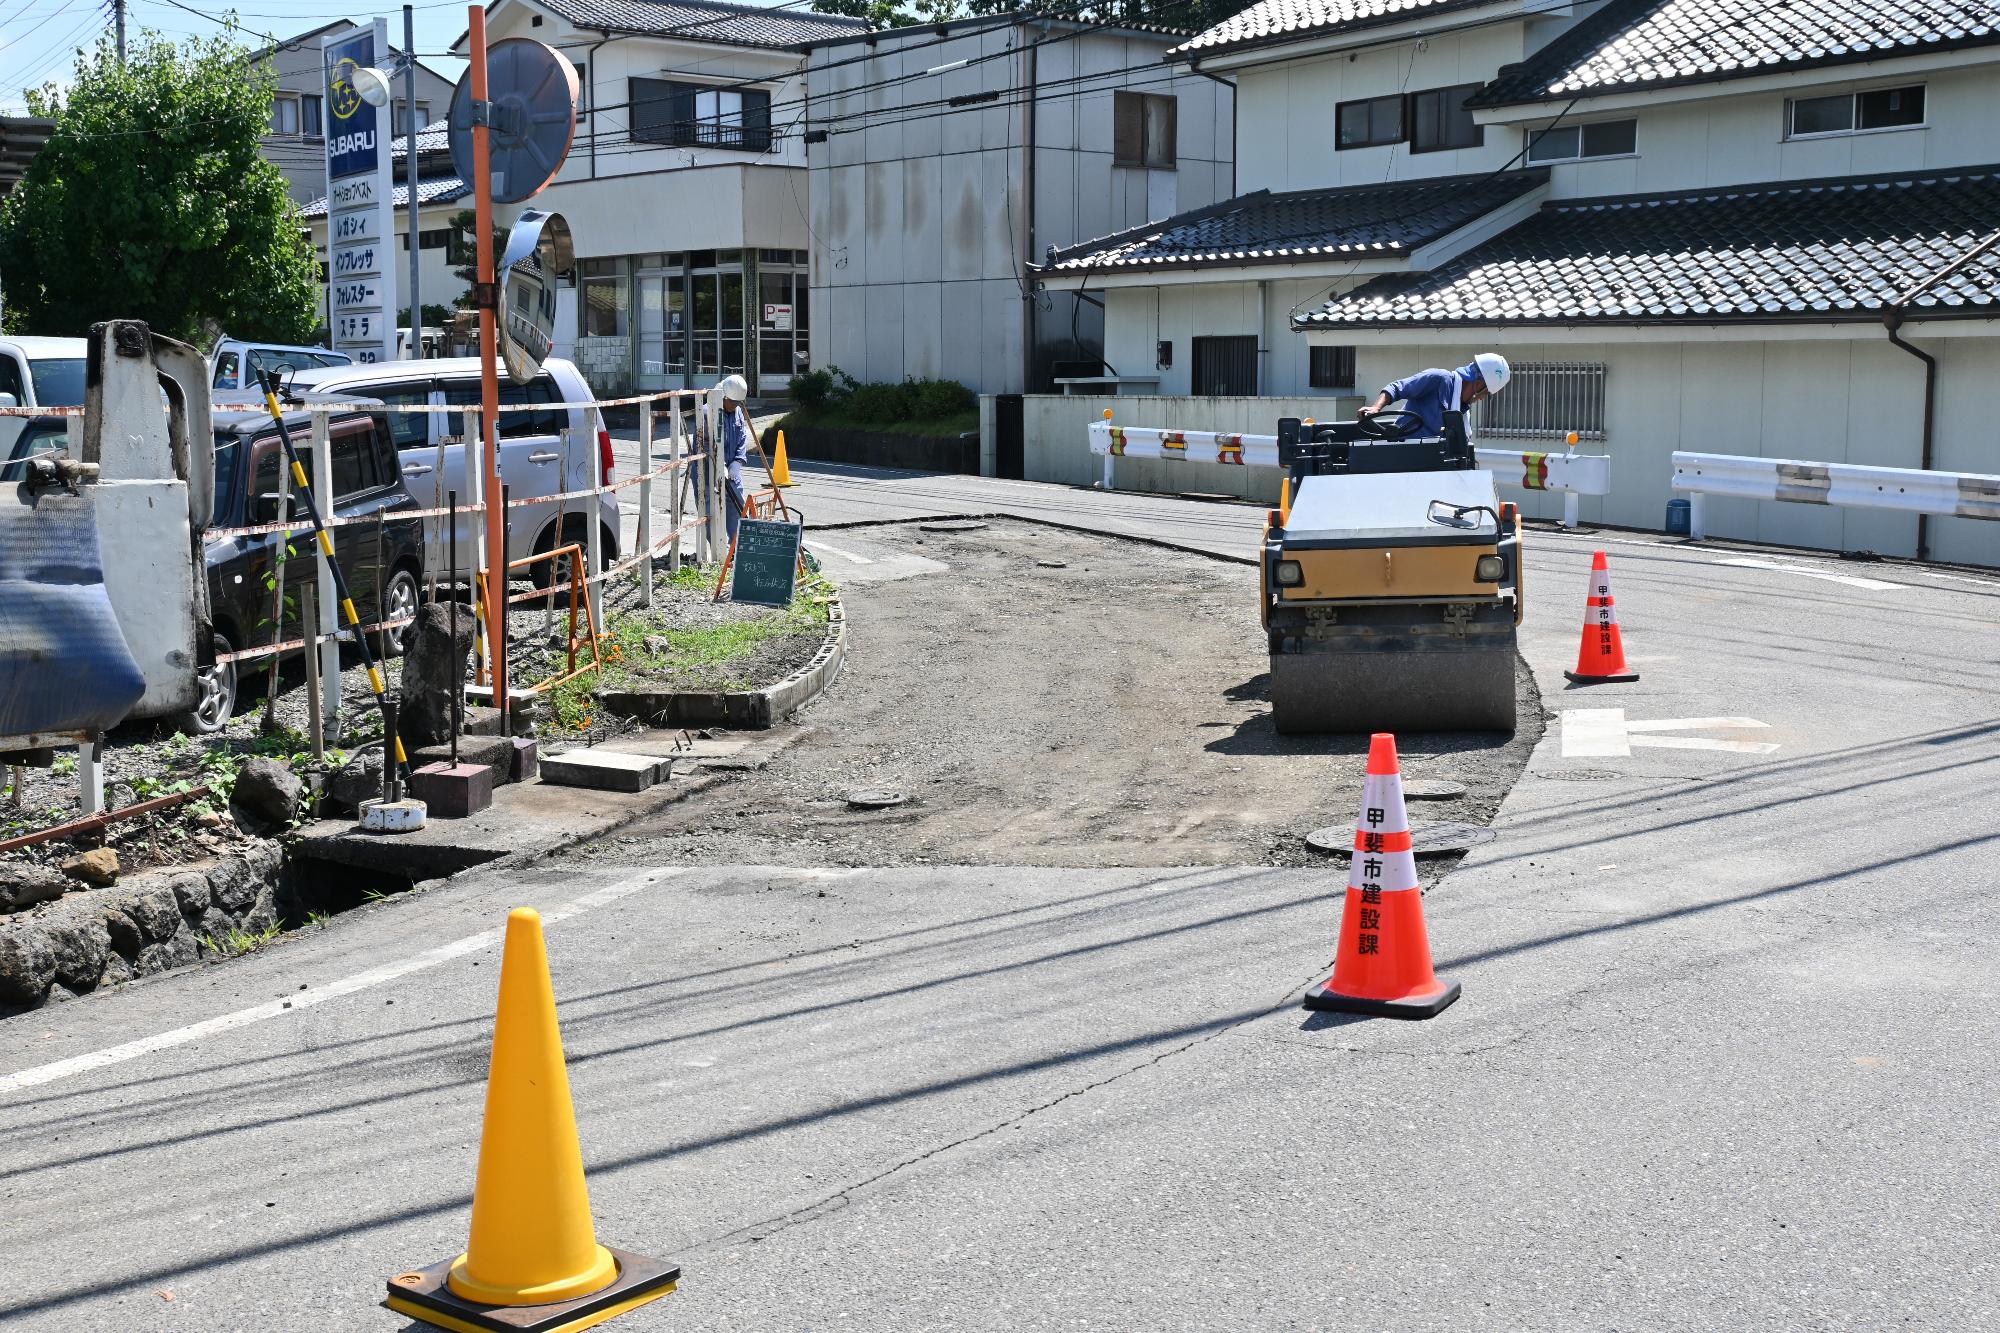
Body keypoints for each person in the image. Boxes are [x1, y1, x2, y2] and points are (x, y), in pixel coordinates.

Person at [1357, 352, 1511, 437]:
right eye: (1486, 392)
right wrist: (1376, 408)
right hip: (1403, 454)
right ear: (1479, 383)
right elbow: (1396, 388)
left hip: (1432, 465)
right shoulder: (1439, 379)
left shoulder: (1461, 411)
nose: (1483, 398)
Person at [710, 373, 752, 542]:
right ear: (724, 396)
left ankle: (736, 547)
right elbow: (705, 443)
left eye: (738, 402)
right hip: (710, 469)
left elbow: (742, 437)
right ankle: (717, 550)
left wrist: (738, 462)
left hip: (732, 467)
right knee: (711, 510)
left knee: (737, 504)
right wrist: (718, 464)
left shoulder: (738, 412)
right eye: (733, 402)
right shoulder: (709, 411)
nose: (735, 405)